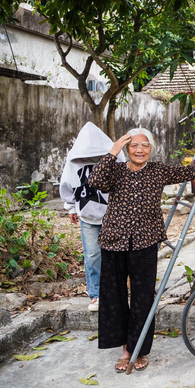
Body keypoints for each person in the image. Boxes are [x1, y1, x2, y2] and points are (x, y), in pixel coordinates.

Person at [89, 127, 195, 372]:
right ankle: (124, 349)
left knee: (143, 298)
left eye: (144, 145)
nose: (139, 150)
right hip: (114, 241)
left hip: (145, 242)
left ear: (150, 149)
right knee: (115, 297)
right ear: (126, 149)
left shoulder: (158, 171)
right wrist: (112, 151)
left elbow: (191, 170)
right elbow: (95, 182)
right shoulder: (116, 170)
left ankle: (138, 350)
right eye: (134, 145)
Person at [59, 122, 124, 312]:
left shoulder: (116, 154)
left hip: (114, 216)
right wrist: (71, 207)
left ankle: (115, 292)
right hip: (87, 216)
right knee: (93, 256)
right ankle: (95, 294)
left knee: (116, 254)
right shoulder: (73, 158)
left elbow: (125, 181)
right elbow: (67, 183)